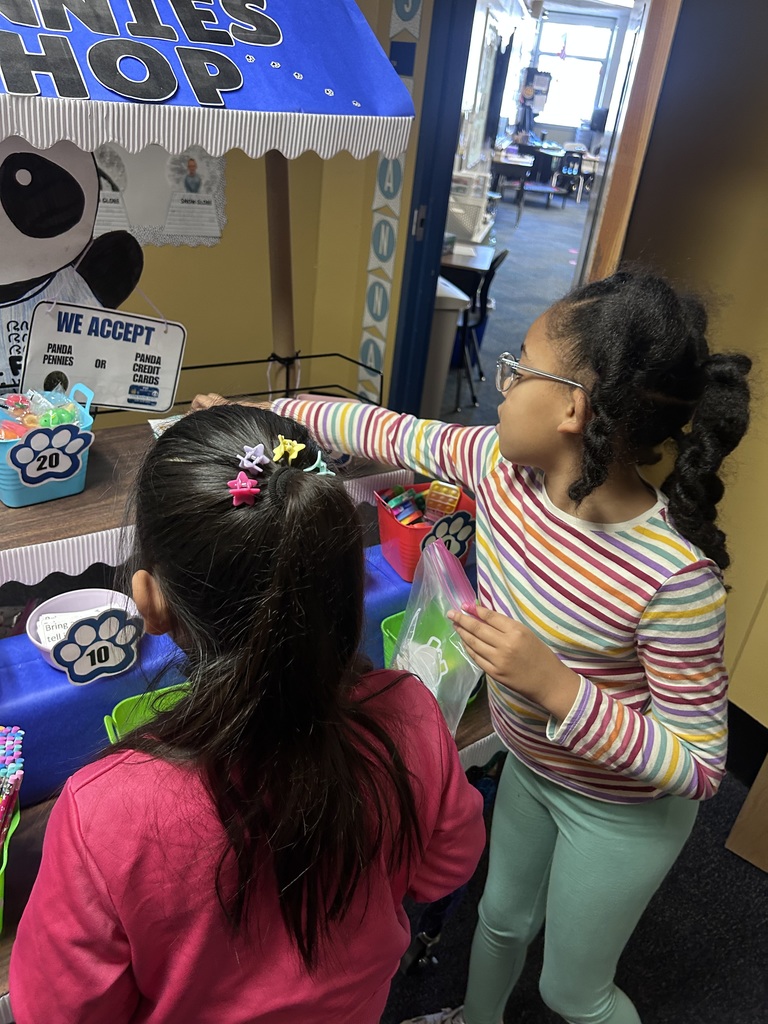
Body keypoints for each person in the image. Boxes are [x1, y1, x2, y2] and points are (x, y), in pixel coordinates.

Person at [194, 268, 752, 1024]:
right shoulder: (501, 468)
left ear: (571, 408)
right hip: (532, 765)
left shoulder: (674, 578)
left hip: (623, 811)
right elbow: (385, 430)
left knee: (572, 990)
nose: (504, 382)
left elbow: (699, 767)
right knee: (498, 920)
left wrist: (558, 689)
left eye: (519, 367)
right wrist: (259, 413)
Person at [8, 405, 485, 1024]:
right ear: (344, 579)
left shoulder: (102, 810)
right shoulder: (411, 714)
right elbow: (447, 865)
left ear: (150, 602)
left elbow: (57, 1010)